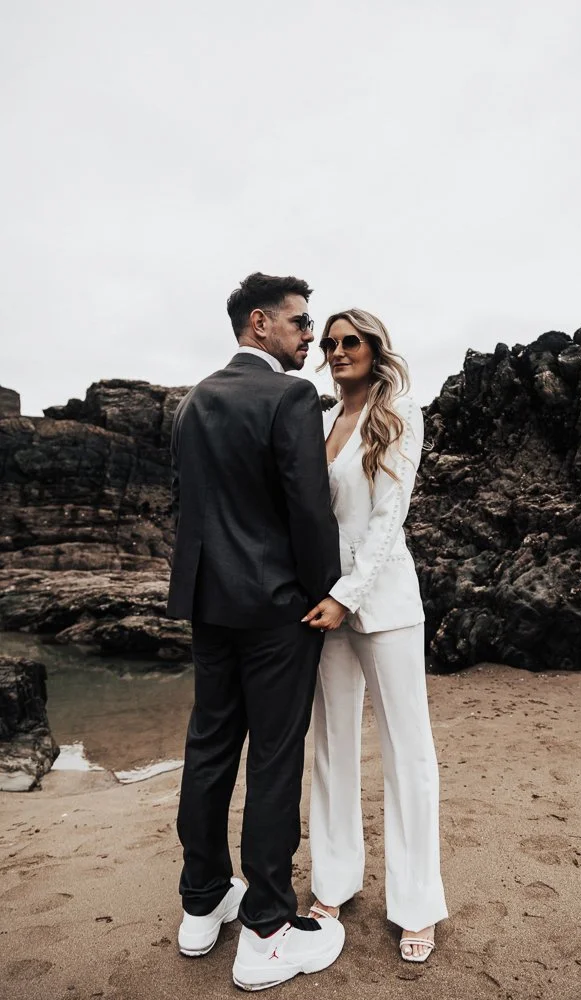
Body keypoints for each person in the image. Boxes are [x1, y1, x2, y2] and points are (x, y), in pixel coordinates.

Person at [167, 272, 345, 991]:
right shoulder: (290, 396)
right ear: (260, 323)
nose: (310, 336)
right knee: (274, 758)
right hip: (276, 608)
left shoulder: (192, 401)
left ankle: (203, 901)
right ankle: (268, 929)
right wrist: (326, 591)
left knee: (209, 746)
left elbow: (195, 505)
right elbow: (307, 508)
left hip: (209, 603)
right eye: (302, 323)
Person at [302, 309, 448, 962]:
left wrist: (346, 595)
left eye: (349, 341)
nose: (336, 351)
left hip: (383, 604)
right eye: (329, 343)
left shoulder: (399, 416)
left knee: (407, 756)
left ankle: (416, 903)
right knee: (329, 749)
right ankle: (333, 881)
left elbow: (388, 519)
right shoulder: (315, 421)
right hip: (320, 609)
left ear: (374, 349)